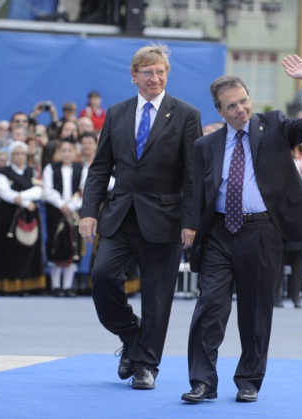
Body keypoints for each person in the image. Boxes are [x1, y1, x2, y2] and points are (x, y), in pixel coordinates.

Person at [182, 55, 302, 404]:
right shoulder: (206, 146)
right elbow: (194, 190)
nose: (240, 110)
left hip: (262, 233)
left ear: (250, 99)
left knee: (256, 310)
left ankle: (249, 380)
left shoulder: (275, 125)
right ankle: (203, 381)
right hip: (218, 234)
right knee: (209, 308)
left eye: (244, 101)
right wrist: (188, 225)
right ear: (220, 111)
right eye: (231, 106)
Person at [79, 44, 202, 390]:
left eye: (161, 72)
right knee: (103, 277)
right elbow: (101, 165)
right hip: (119, 215)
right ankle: (130, 334)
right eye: (147, 72)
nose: (155, 78)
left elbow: (193, 175)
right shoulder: (117, 113)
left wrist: (191, 221)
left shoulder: (185, 114)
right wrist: (89, 212)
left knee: (157, 296)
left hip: (165, 218)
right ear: (134, 76)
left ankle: (146, 364)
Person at [0, 141, 46, 296]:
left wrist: (21, 197)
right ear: (11, 155)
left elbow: (40, 190)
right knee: (7, 250)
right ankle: (7, 285)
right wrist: (26, 201)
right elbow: (4, 192)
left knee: (29, 250)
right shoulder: (2, 172)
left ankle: (26, 285)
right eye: (16, 153)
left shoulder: (32, 172)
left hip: (29, 215)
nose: (19, 157)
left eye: (22, 153)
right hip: (7, 216)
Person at [275, 144, 302, 309]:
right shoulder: (281, 153)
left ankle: (295, 295)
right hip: (283, 209)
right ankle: (276, 295)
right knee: (281, 255)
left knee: (299, 256)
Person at [42, 138, 82, 297]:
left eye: (69, 150)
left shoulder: (81, 169)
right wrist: (61, 205)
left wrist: (72, 206)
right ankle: (56, 286)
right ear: (57, 153)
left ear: (75, 153)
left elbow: (85, 190)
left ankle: (67, 286)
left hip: (74, 213)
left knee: (73, 245)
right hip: (55, 212)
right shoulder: (50, 168)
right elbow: (48, 190)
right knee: (56, 244)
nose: (66, 154)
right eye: (62, 151)